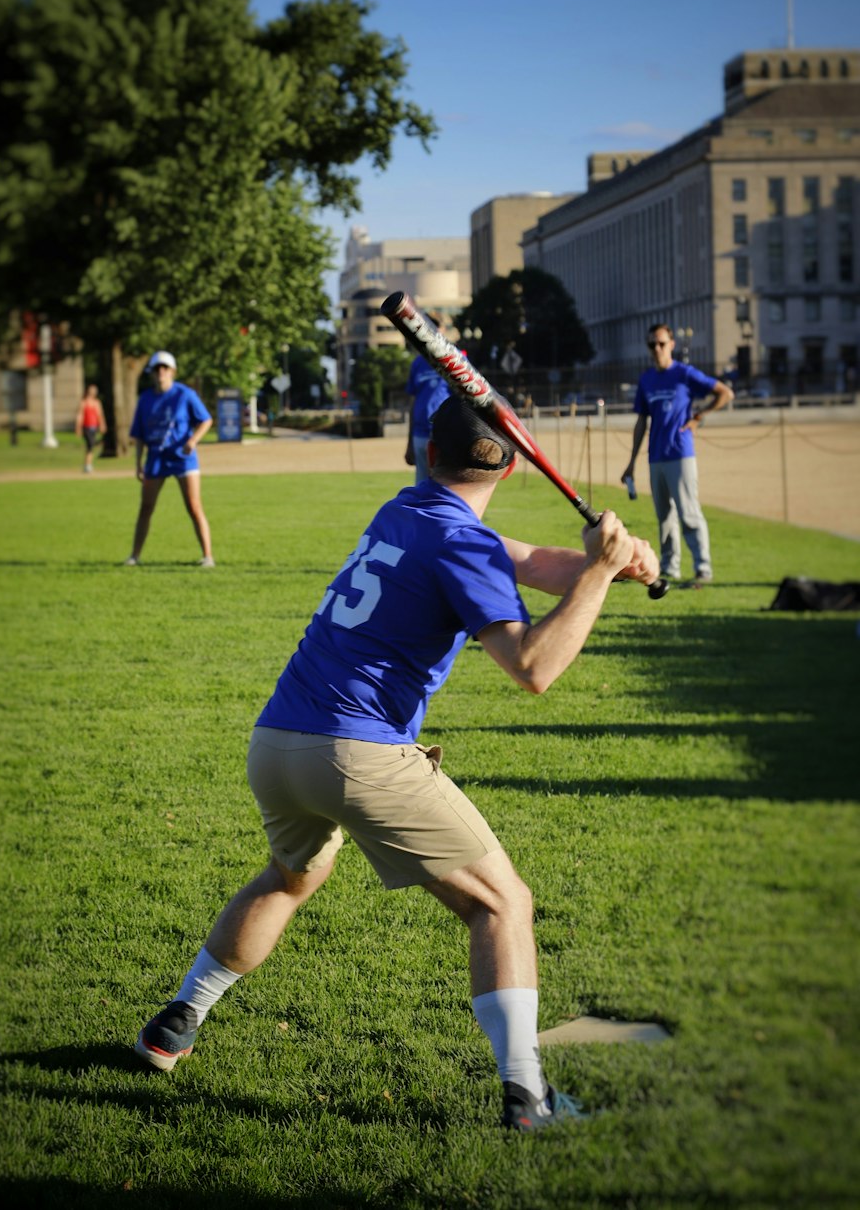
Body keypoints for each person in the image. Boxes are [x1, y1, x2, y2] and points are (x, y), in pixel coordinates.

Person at [134, 395, 658, 1133]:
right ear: (510, 466)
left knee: (291, 878)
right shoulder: (461, 543)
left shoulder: (405, 511)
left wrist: (615, 564)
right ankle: (529, 1100)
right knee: (502, 903)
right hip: (358, 752)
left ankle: (175, 1022)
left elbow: (527, 561)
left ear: (426, 451)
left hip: (278, 742)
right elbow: (533, 668)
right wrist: (599, 575)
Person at [622, 323, 733, 585]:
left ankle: (703, 569)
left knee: (689, 512)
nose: (657, 348)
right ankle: (671, 568)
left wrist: (698, 417)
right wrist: (630, 464)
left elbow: (725, 393)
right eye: (652, 344)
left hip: (681, 454)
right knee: (665, 517)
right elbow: (641, 422)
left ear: (671, 344)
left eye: (661, 343)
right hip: (656, 457)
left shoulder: (685, 374)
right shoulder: (646, 379)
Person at [126, 351, 215, 567]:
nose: (161, 373)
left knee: (194, 506)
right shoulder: (146, 399)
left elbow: (206, 420)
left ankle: (208, 556)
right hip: (156, 458)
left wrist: (193, 440)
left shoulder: (185, 394)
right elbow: (139, 435)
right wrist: (138, 463)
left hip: (183, 458)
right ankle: (134, 556)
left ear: (172, 371)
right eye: (157, 369)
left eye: (165, 368)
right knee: (146, 507)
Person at [405, 326, 450, 482]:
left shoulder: (452, 360)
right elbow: (412, 402)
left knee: (443, 484)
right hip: (420, 435)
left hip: (444, 434)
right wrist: (409, 442)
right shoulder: (417, 363)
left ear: (443, 330)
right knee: (422, 486)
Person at [74, 384, 107, 474]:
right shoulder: (83, 402)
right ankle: (87, 465)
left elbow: (100, 415)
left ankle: (88, 464)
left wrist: (102, 425)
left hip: (94, 427)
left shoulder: (97, 402)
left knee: (91, 446)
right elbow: (80, 415)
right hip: (86, 427)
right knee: (90, 444)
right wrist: (78, 427)